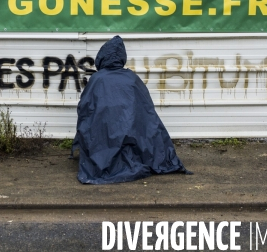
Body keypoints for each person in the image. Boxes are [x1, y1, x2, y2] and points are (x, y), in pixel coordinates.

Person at [71, 35, 191, 184]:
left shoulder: (97, 79)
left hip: (103, 137)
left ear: (102, 57)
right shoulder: (132, 78)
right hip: (132, 138)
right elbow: (147, 112)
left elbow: (84, 110)